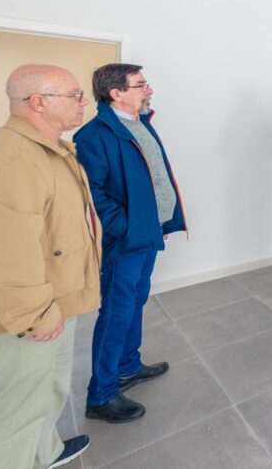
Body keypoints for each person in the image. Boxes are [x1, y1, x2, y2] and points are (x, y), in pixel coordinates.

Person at [0, 64, 99, 469]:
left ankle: (45, 453)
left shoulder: (49, 150)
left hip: (55, 302)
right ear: (38, 102)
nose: (84, 102)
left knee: (47, 391)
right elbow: (3, 251)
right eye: (74, 95)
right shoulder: (9, 158)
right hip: (26, 316)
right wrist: (33, 316)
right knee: (15, 416)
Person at [74, 63, 186, 423]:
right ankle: (101, 395)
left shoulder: (139, 123)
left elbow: (152, 178)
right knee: (116, 311)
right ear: (116, 93)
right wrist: (127, 227)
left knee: (136, 299)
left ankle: (128, 366)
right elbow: (93, 194)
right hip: (127, 239)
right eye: (141, 85)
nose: (148, 90)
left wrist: (158, 221)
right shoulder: (94, 136)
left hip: (148, 232)